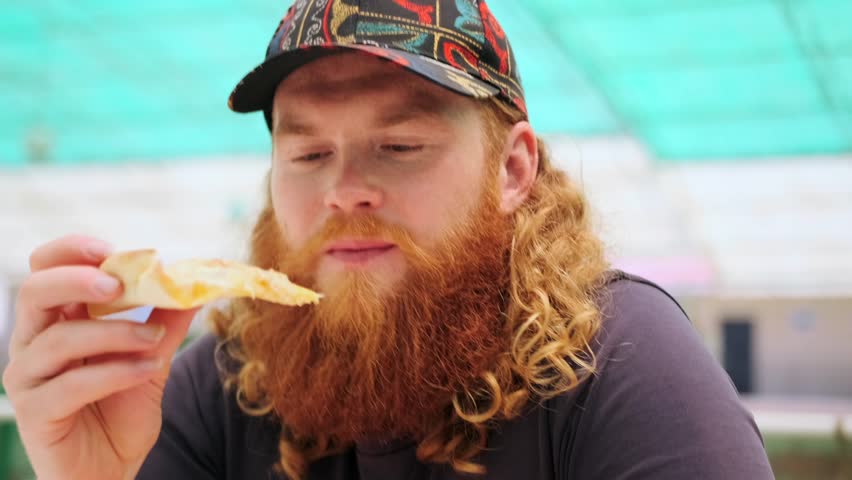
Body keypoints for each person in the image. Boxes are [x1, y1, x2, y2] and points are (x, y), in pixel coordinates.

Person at [3, 0, 775, 478]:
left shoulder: (619, 368)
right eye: (307, 155)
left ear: (511, 171)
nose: (343, 191)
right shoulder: (218, 383)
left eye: (399, 146)